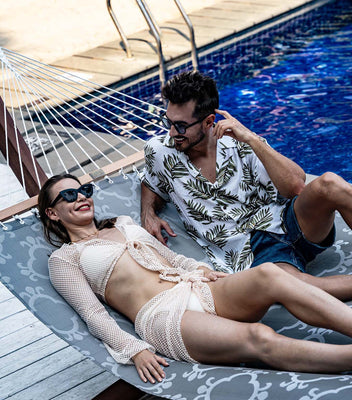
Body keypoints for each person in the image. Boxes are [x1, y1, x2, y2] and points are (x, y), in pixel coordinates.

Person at [39, 173, 352, 384]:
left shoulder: (121, 223)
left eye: (84, 190)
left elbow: (172, 259)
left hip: (195, 287)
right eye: (68, 195)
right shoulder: (64, 259)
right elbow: (92, 314)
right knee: (259, 336)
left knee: (269, 274)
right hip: (163, 316)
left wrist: (199, 269)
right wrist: (134, 349)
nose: (80, 196)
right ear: (52, 213)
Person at [141, 70, 352, 301]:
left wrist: (252, 139)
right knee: (296, 287)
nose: (172, 132)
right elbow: (150, 182)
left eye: (180, 126)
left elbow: (296, 187)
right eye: (168, 122)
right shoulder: (160, 152)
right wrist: (148, 212)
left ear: (209, 122)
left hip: (286, 221)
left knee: (329, 183)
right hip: (251, 252)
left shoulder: (238, 142)